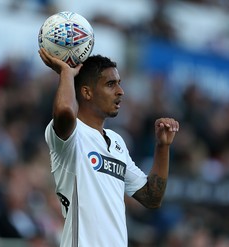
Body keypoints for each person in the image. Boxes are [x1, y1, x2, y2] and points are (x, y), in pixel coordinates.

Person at [39, 48, 179, 247]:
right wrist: (67, 74)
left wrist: (163, 147)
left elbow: (151, 197)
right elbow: (64, 111)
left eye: (119, 84)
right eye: (110, 84)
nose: (120, 91)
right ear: (86, 92)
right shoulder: (70, 136)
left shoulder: (117, 141)